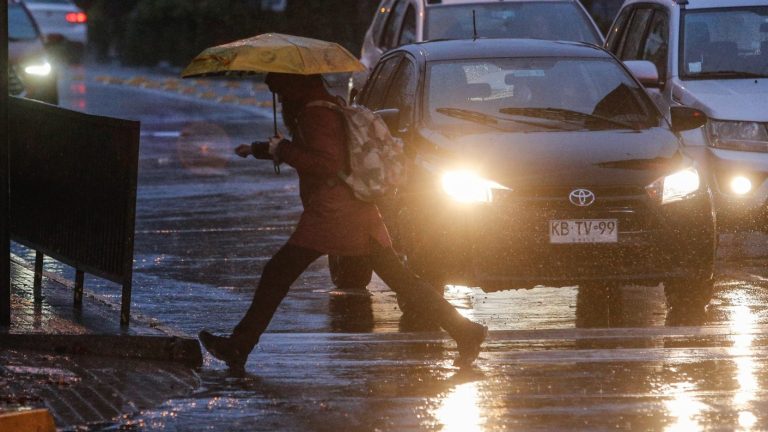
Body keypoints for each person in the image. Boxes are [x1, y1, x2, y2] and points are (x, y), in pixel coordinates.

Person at [198, 72, 487, 373]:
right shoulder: (327, 105)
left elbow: (327, 163)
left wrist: (282, 150)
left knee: (277, 273)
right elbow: (319, 152)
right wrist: (260, 149)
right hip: (354, 210)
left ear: (295, 87)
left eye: (282, 92)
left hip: (335, 212)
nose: (281, 99)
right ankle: (466, 332)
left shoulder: (315, 114)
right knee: (402, 281)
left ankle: (239, 346)